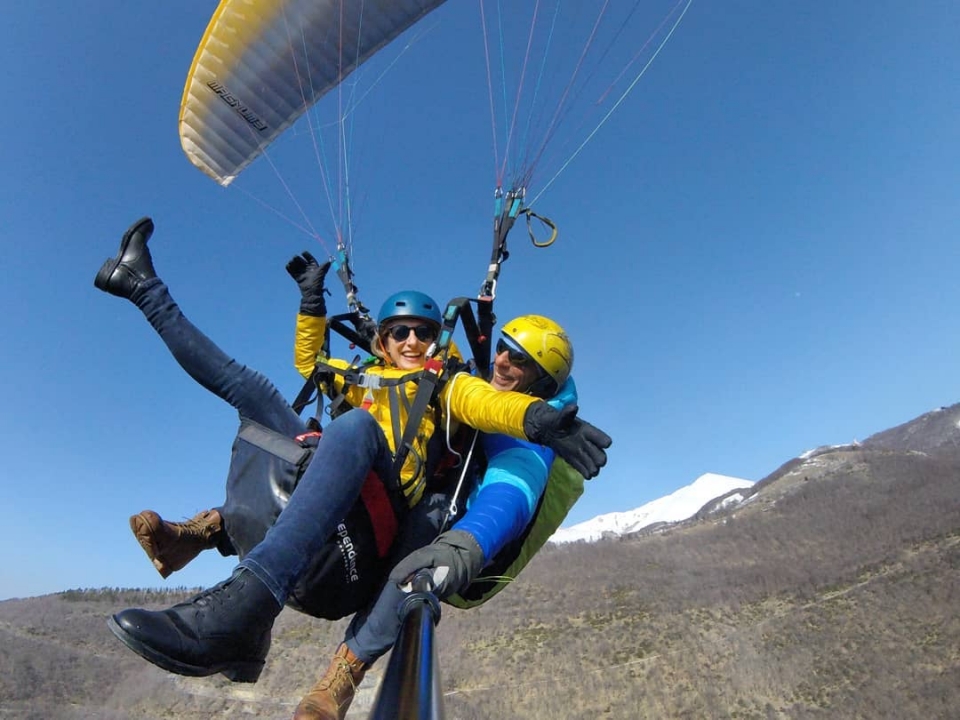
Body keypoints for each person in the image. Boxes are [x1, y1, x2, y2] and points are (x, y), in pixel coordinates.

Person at [96, 217, 611, 687]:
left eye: (425, 333)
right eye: (400, 332)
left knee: (356, 427)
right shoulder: (364, 376)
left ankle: (244, 606)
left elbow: (484, 403)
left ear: (437, 341)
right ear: (382, 340)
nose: (413, 340)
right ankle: (143, 287)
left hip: (369, 531)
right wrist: (312, 306)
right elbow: (308, 365)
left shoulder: (444, 387)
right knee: (251, 389)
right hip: (328, 489)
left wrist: (536, 419)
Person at [292, 314, 583, 720]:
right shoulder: (492, 384)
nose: (501, 362)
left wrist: (463, 548)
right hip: (428, 477)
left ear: (543, 383)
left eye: (519, 360)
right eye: (502, 347)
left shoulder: (532, 440)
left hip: (458, 533)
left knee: (422, 537)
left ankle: (345, 674)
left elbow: (510, 494)